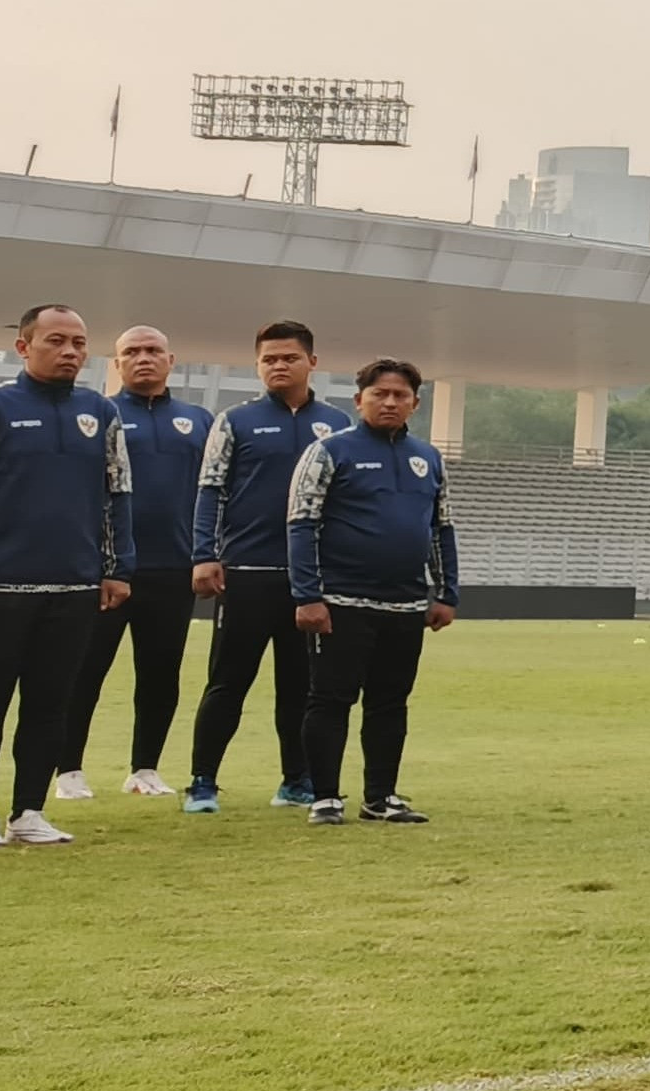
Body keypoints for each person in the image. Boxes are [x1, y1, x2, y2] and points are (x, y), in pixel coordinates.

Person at [0, 305, 138, 848]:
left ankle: (28, 811)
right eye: (57, 340)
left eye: (80, 343)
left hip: (75, 588)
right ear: (23, 346)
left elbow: (118, 494)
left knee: (49, 704)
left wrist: (116, 569)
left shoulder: (101, 412)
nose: (70, 352)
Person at [187, 320, 352, 813]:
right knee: (227, 682)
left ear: (312, 363)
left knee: (301, 687)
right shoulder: (235, 421)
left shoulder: (339, 425)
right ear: (258, 365)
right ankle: (202, 782)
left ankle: (296, 780)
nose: (279, 366)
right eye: (269, 359)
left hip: (310, 582)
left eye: (289, 358)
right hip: (247, 573)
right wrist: (204, 554)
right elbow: (210, 489)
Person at [287, 358, 460, 827]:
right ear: (358, 398)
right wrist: (307, 594)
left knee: (390, 702)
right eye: (379, 394)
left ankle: (381, 797)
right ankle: (325, 797)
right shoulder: (329, 452)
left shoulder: (429, 458)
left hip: (406, 605)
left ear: (415, 404)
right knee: (330, 700)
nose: (389, 402)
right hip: (342, 602)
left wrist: (447, 592)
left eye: (400, 395)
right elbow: (301, 523)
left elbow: (441, 527)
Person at [57, 325, 207, 802]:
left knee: (161, 674)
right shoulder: (96, 414)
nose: (144, 358)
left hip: (173, 569)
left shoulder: (198, 420)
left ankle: (145, 768)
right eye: (132, 352)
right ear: (115, 364)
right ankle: (68, 771)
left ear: (171, 359)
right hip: (104, 569)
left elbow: (213, 495)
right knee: (84, 670)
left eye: (153, 351)